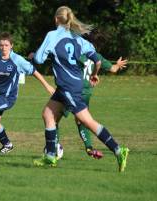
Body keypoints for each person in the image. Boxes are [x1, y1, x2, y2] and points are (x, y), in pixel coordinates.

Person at [31, 6, 129, 172]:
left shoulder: (52, 35)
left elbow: (39, 59)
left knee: (87, 121)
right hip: (69, 85)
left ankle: (119, 150)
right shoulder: (77, 38)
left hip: (68, 86)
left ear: (56, 20)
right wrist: (95, 74)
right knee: (47, 114)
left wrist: (34, 55)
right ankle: (49, 156)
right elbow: (97, 60)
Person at [0, 32, 55, 154]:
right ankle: (7, 145)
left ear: (11, 46)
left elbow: (34, 71)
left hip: (7, 98)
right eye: (1, 45)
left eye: (6, 45)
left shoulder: (17, 60)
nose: (3, 47)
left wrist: (47, 86)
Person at [57, 53, 128, 160]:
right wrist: (117, 65)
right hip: (86, 93)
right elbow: (113, 69)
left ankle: (54, 148)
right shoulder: (96, 56)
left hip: (73, 91)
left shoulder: (77, 54)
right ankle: (89, 148)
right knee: (81, 121)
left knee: (52, 118)